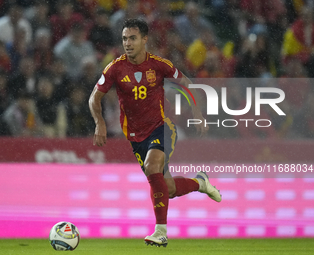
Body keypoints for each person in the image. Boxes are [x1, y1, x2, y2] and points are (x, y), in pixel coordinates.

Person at [89, 19, 222, 247]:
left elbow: (187, 84)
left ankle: (161, 232)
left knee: (152, 168)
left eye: (132, 38)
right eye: (124, 39)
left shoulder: (159, 65)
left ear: (144, 40)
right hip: (135, 138)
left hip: (162, 128)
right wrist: (99, 122)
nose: (127, 43)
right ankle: (200, 183)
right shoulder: (115, 68)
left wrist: (197, 112)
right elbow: (94, 97)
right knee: (166, 188)